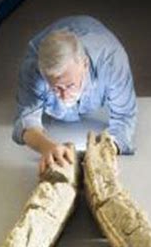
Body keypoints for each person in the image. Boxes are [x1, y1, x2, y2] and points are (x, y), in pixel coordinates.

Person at [12, 15, 137, 173]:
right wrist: (48, 147)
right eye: (56, 88)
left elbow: (124, 117)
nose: (64, 97)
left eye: (70, 85)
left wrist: (108, 149)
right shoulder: (32, 69)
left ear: (84, 64)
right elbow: (26, 119)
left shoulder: (112, 61)